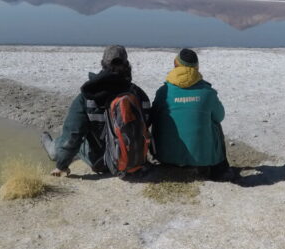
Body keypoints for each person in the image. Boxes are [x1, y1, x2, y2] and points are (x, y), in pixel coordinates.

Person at [41, 45, 151, 177]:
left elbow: (74, 134)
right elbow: (146, 123)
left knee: (60, 147)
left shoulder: (88, 95)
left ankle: (47, 141)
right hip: (134, 160)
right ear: (127, 65)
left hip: (102, 162)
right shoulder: (138, 94)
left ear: (102, 64)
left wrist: (61, 166)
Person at [151, 48, 232, 180]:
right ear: (196, 67)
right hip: (202, 159)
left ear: (176, 64)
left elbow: (153, 117)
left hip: (165, 156)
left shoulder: (163, 92)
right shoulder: (208, 92)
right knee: (215, 123)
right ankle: (220, 168)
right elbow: (220, 116)